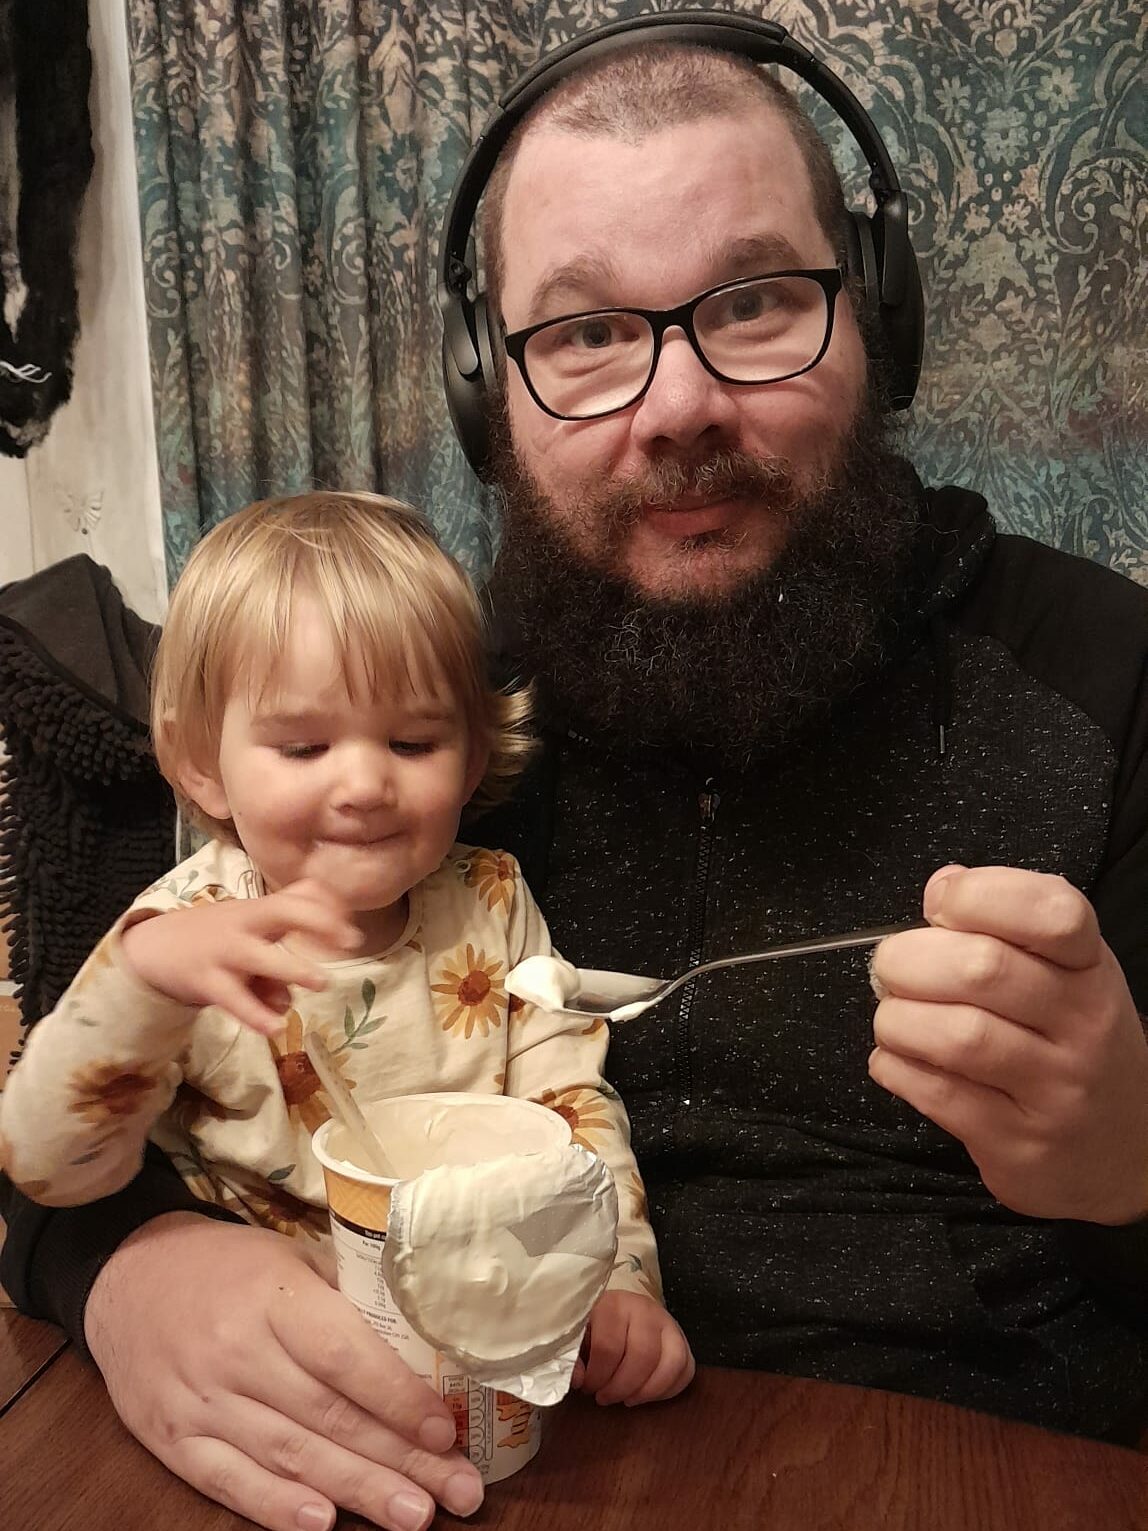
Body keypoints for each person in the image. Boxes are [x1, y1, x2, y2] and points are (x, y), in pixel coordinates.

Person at [4, 17, 1148, 1531]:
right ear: (495, 394)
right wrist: (120, 1272)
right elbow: (73, 1107)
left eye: (753, 302)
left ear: (880, 317)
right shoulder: (425, 718)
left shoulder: (1108, 671)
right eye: (586, 333)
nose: (675, 406)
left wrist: (1133, 1153)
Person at [0, 490, 692, 1517]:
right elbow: (49, 1168)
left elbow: (572, 1107)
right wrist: (142, 992)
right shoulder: (177, 937)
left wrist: (621, 1278)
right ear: (203, 763)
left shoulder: (492, 903)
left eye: (411, 743)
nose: (364, 782)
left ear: (469, 750)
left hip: (487, 1350)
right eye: (304, 747)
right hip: (282, 1371)